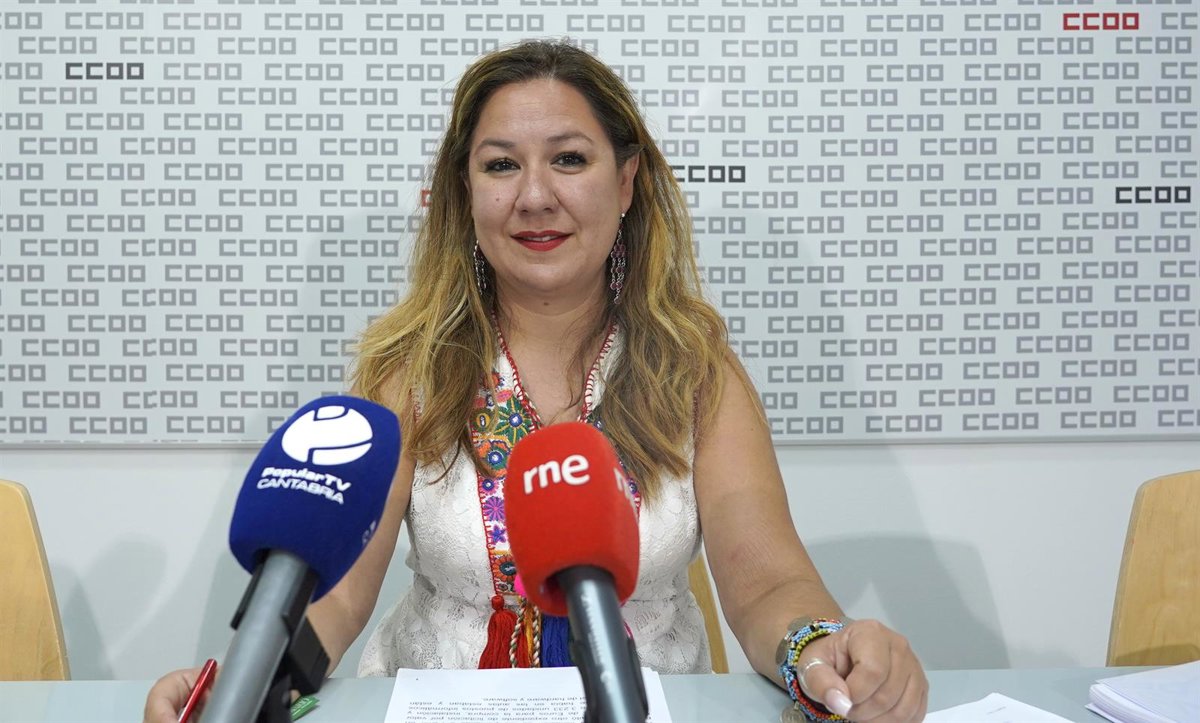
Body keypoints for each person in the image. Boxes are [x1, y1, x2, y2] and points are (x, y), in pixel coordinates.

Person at [145, 39, 926, 722]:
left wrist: (824, 651)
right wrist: (247, 683)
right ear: (466, 191)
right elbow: (339, 593)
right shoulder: (407, 369)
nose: (534, 196)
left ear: (627, 181)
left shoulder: (695, 368)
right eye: (500, 165)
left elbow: (766, 583)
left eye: (569, 159)